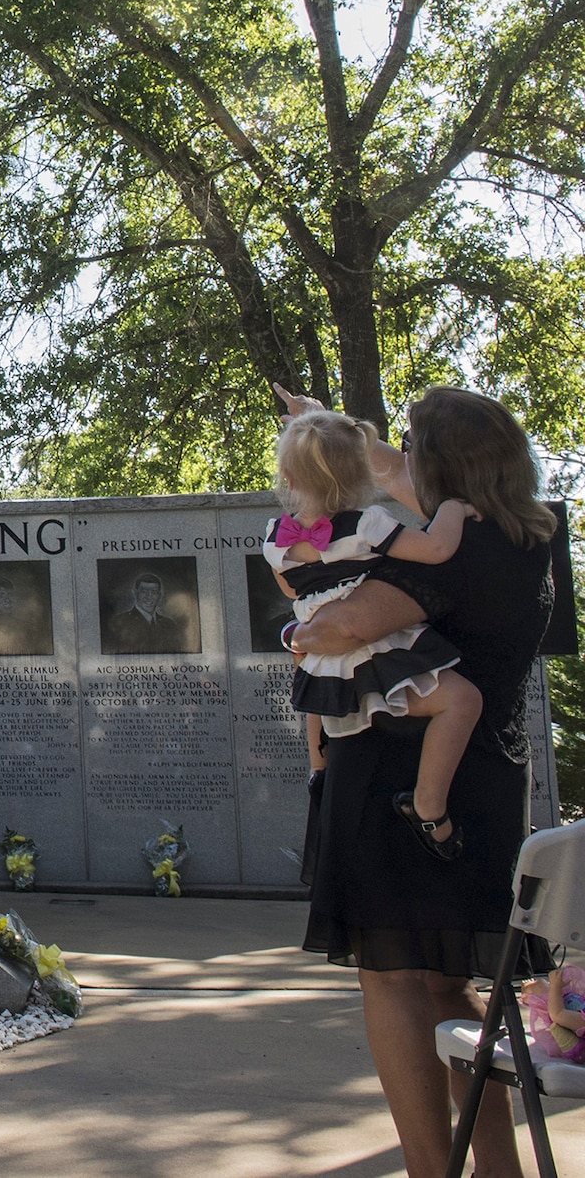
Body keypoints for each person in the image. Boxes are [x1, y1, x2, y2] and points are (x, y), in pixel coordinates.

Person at [287, 383, 558, 1178]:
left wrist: (300, 627)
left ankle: (427, 1170)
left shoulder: (440, 556)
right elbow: (402, 477)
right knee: (449, 988)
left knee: (396, 982)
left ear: (439, 462)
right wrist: (329, 427)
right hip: (481, 782)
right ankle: (499, 1169)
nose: (401, 458)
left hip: (392, 787)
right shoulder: (522, 534)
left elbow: (335, 627)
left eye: (412, 443)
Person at [267, 409, 480, 858]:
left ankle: (317, 768)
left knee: (308, 673)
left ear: (287, 474)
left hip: (322, 659)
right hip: (373, 649)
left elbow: (289, 587)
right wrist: (453, 508)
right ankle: (428, 804)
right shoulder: (367, 523)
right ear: (359, 470)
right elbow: (438, 548)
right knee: (463, 700)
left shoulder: (274, 537)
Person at [101, 571, 194, 652]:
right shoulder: (119, 623)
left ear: (159, 595)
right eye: (144, 592)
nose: (149, 597)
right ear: (135, 593)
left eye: (154, 592)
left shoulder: (169, 625)